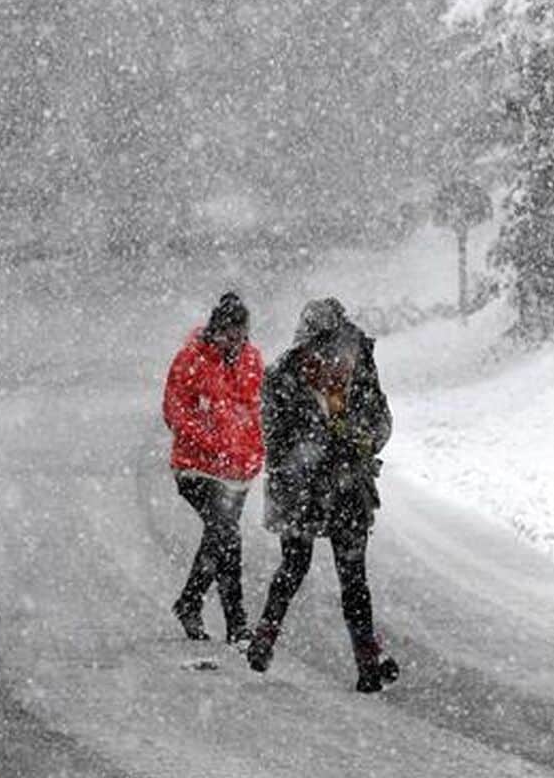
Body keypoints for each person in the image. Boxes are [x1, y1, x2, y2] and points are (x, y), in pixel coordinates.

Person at [246, 298, 401, 693]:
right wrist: (359, 443)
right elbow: (380, 419)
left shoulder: (285, 371)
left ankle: (265, 636)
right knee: (352, 578)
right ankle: (366, 663)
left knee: (294, 566)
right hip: (343, 486)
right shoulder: (351, 367)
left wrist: (306, 456)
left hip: (306, 489)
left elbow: (273, 436)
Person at [162, 292, 265, 644]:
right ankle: (237, 625)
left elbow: (258, 410)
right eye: (229, 336)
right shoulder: (190, 360)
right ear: (215, 330)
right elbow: (175, 412)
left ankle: (189, 603)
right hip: (197, 470)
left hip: (237, 472)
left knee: (219, 538)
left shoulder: (253, 361)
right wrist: (213, 444)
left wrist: (255, 450)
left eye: (241, 336)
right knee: (227, 535)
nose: (235, 343)